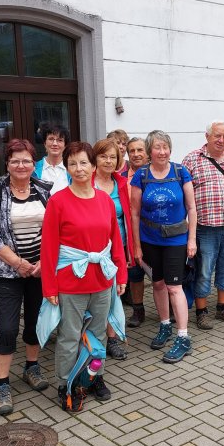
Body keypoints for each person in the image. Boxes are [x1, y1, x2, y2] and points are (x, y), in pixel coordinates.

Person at [41, 142, 128, 412]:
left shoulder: (104, 200)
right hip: (70, 281)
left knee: (98, 335)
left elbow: (115, 240)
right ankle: (66, 384)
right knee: (69, 336)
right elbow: (49, 248)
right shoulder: (58, 201)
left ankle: (93, 378)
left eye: (84, 163)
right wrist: (49, 286)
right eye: (73, 163)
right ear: (66, 168)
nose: (79, 169)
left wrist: (121, 274)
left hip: (102, 279)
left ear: (93, 166)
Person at [0, 139, 52, 416]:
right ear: (7, 164)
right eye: (15, 161)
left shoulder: (45, 190)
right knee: (7, 327)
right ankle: (2, 384)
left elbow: (56, 229)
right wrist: (18, 263)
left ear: (34, 163)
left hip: (40, 270)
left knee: (35, 321)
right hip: (7, 271)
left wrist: (44, 261)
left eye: (26, 160)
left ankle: (31, 367)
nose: (21, 165)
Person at [130, 130, 197, 363]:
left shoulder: (181, 172)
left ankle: (183, 336)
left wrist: (191, 240)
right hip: (150, 240)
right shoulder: (141, 175)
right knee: (157, 284)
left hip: (176, 240)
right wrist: (137, 247)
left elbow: (191, 209)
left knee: (174, 287)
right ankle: (165, 325)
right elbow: (134, 213)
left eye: (165, 147)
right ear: (150, 151)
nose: (162, 151)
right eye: (157, 147)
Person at [182, 120, 224, 330]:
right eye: (217, 136)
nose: (221, 140)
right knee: (203, 271)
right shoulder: (192, 159)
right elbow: (183, 194)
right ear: (207, 136)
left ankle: (222, 307)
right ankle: (201, 312)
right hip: (204, 227)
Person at [91, 138, 134, 360]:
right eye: (103, 156)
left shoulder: (121, 183)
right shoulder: (85, 182)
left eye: (113, 157)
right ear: (95, 158)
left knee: (115, 294)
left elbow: (129, 216)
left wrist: (131, 250)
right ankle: (91, 338)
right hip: (92, 251)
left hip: (118, 246)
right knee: (97, 296)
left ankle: (112, 338)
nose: (108, 161)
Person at [121, 137, 149, 327]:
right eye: (132, 150)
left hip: (155, 234)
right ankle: (138, 310)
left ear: (147, 153)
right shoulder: (121, 178)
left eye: (140, 150)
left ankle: (169, 308)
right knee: (136, 275)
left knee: (160, 275)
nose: (136, 154)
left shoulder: (157, 173)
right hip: (132, 234)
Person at [32, 124, 71, 194]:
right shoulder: (34, 169)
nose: (55, 143)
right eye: (51, 139)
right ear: (44, 143)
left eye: (60, 140)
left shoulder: (71, 168)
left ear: (65, 145)